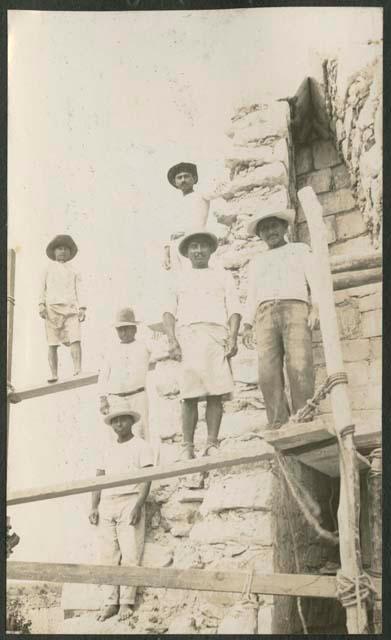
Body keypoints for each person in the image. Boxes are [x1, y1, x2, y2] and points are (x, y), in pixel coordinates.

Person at [162, 229, 242, 459]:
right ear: (187, 253)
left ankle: (212, 443)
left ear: (210, 250)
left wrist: (234, 337)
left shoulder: (222, 276)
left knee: (215, 392)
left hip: (216, 334)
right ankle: (187, 446)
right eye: (193, 247)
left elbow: (234, 308)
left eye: (202, 246)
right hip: (189, 336)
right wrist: (172, 341)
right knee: (189, 394)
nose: (198, 251)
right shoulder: (178, 279)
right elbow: (168, 311)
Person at [242, 207, 319, 429]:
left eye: (273, 226)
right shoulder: (257, 261)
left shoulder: (300, 250)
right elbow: (252, 293)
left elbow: (315, 281)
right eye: (264, 229)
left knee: (300, 363)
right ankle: (278, 423)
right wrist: (247, 324)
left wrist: (316, 308)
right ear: (260, 236)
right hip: (265, 314)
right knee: (267, 370)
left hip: (295, 307)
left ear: (284, 227)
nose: (270, 231)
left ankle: (304, 419)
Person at [89, 402, 154, 622]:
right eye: (115, 420)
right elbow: (98, 479)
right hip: (107, 502)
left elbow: (146, 479)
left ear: (131, 421)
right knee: (108, 555)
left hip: (130, 501)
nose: (119, 423)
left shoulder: (142, 446)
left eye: (123, 419)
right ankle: (110, 602)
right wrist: (93, 506)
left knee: (130, 553)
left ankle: (126, 602)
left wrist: (138, 505)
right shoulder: (106, 449)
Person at [164, 161, 230, 272]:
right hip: (175, 246)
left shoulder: (201, 195)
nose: (183, 180)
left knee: (195, 274)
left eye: (186, 176)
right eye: (179, 178)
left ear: (194, 179)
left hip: (193, 243)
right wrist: (166, 253)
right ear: (175, 182)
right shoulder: (174, 204)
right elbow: (170, 230)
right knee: (179, 278)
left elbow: (219, 190)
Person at [39, 235, 86, 382]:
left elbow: (80, 289)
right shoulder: (47, 269)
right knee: (52, 343)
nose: (63, 251)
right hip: (51, 309)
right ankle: (54, 374)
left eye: (66, 249)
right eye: (59, 248)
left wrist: (82, 308)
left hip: (71, 309)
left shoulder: (75, 270)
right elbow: (42, 288)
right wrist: (41, 304)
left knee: (75, 339)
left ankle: (78, 369)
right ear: (54, 251)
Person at [98, 307, 150, 440]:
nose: (123, 332)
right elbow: (103, 375)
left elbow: (161, 351)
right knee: (118, 436)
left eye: (127, 328)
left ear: (135, 329)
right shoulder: (111, 350)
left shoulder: (144, 346)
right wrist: (103, 399)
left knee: (142, 432)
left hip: (138, 396)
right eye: (120, 329)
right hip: (117, 399)